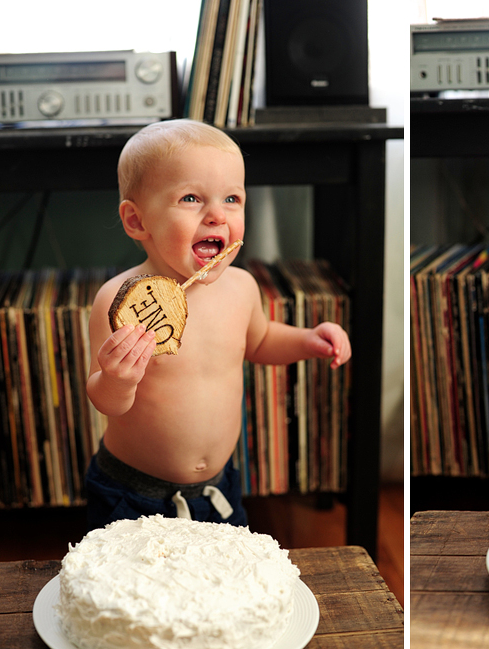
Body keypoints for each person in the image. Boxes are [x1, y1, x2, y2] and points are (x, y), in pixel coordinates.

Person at [85, 119, 351, 528]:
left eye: (232, 199)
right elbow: (104, 399)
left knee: (218, 587)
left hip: (219, 488)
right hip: (134, 495)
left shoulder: (241, 287)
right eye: (191, 198)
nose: (216, 215)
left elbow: (260, 342)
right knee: (136, 589)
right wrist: (118, 380)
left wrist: (308, 340)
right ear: (137, 221)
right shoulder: (118, 300)